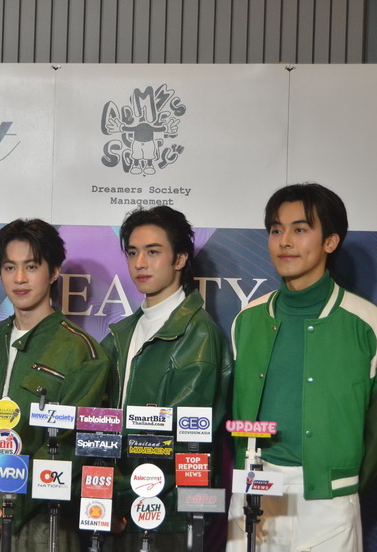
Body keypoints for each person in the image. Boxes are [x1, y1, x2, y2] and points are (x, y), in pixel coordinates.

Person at [227, 183, 377, 551]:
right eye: (276, 230)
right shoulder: (247, 320)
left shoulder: (368, 323)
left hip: (330, 503)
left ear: (330, 241)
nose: (284, 242)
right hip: (254, 490)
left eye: (299, 229)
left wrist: (340, 481)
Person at [0, 219, 111, 551]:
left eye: (31, 266)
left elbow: (71, 445)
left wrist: (6, 511)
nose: (20, 278)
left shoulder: (82, 351)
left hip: (43, 522)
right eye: (10, 267)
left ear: (54, 272)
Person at [101, 206, 232, 552]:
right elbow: (96, 425)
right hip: (116, 511)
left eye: (153, 251)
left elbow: (182, 441)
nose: (140, 263)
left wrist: (118, 496)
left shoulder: (199, 335)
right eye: (133, 252)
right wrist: (104, 497)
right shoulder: (120, 334)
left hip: (168, 514)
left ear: (180, 259)